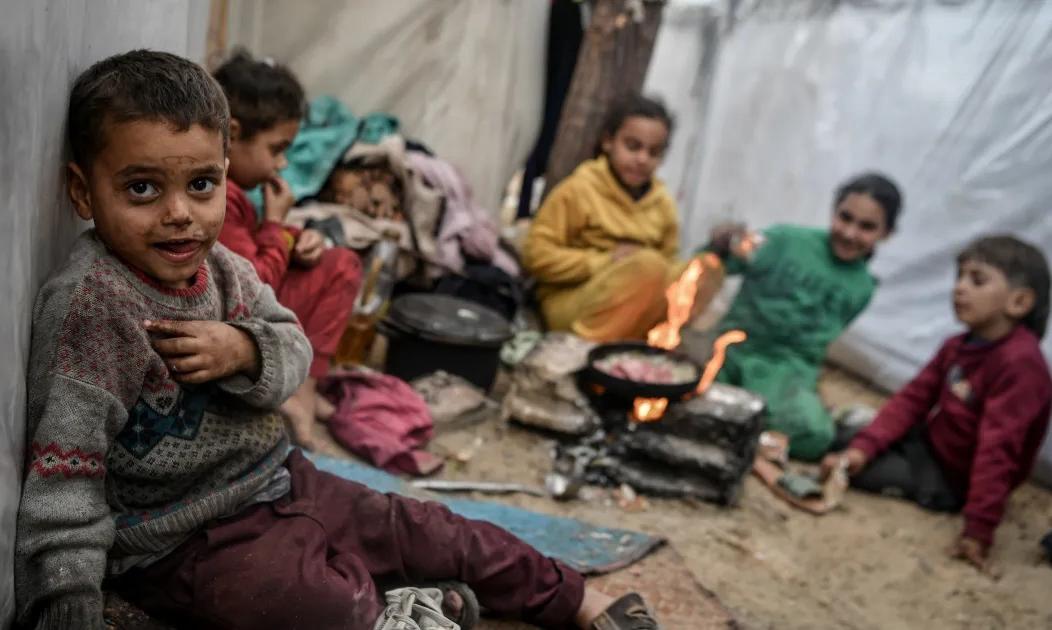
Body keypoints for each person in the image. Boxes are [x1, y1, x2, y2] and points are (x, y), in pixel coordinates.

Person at [14, 50, 660, 630]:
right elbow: (66, 474)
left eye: (202, 184)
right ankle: (407, 606)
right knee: (317, 604)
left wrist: (246, 350)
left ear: (226, 176)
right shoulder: (92, 306)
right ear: (83, 192)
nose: (179, 213)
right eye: (142, 188)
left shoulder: (226, 270)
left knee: (431, 529)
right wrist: (67, 595)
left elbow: (291, 349)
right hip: (183, 541)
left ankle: (576, 599)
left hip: (283, 480)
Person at [822, 235, 1051, 574]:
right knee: (840, 439)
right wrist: (862, 449)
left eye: (977, 280)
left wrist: (979, 528)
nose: (959, 288)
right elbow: (912, 400)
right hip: (928, 443)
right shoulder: (959, 345)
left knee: (858, 474)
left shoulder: (1021, 366)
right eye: (959, 277)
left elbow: (998, 450)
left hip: (952, 477)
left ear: (1019, 302)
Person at [212, 50, 360, 450]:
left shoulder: (236, 193)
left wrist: (296, 239)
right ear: (233, 134)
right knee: (343, 267)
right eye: (276, 149)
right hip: (235, 320)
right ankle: (301, 390)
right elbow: (252, 284)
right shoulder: (220, 197)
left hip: (244, 305)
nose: (281, 164)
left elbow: (250, 244)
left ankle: (307, 381)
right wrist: (277, 225)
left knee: (334, 259)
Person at [708, 174, 902, 461]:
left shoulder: (862, 287)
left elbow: (817, 345)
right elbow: (717, 262)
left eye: (866, 227)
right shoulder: (783, 240)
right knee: (686, 384)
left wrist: (804, 386)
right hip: (730, 351)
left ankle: (739, 428)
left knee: (815, 436)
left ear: (886, 234)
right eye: (845, 218)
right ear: (833, 212)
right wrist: (720, 243)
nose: (850, 233)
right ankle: (748, 429)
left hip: (784, 375)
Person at [523, 94, 681, 342]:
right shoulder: (579, 190)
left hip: (636, 305)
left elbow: (669, 265)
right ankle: (583, 350)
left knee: (703, 270)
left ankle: (635, 345)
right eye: (633, 146)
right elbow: (536, 256)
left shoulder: (663, 204)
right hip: (573, 301)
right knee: (648, 267)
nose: (642, 159)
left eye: (654, 152)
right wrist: (606, 262)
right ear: (608, 142)